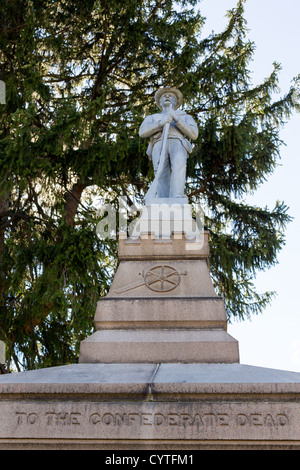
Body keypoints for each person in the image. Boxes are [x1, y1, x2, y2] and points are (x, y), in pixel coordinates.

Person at [139, 87, 198, 198]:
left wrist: (177, 119)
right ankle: (163, 199)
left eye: (170, 96)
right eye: (164, 96)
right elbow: (142, 132)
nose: (167, 96)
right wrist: (161, 123)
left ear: (175, 102)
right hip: (159, 143)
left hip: (178, 142)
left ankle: (176, 197)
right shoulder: (152, 117)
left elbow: (194, 134)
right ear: (160, 102)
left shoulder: (184, 116)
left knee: (179, 167)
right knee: (160, 172)